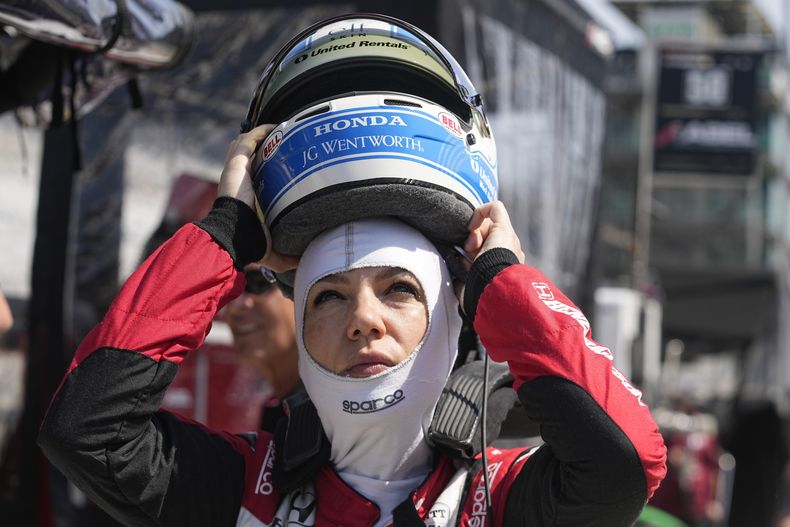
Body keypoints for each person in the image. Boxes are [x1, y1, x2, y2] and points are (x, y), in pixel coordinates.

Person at [219, 264, 300, 431]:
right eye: (226, 290)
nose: (235, 306)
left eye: (257, 283)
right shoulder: (279, 413)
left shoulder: (339, 407)